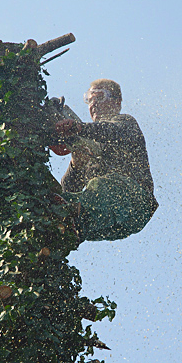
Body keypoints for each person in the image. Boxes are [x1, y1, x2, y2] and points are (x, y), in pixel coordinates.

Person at [52, 79, 158, 243]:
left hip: (135, 202)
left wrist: (79, 128)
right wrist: (76, 165)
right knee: (59, 203)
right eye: (89, 99)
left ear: (117, 102)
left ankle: (75, 218)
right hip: (109, 221)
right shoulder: (88, 145)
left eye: (99, 97)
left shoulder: (125, 123)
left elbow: (110, 131)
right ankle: (62, 234)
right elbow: (68, 190)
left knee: (101, 185)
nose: (93, 103)